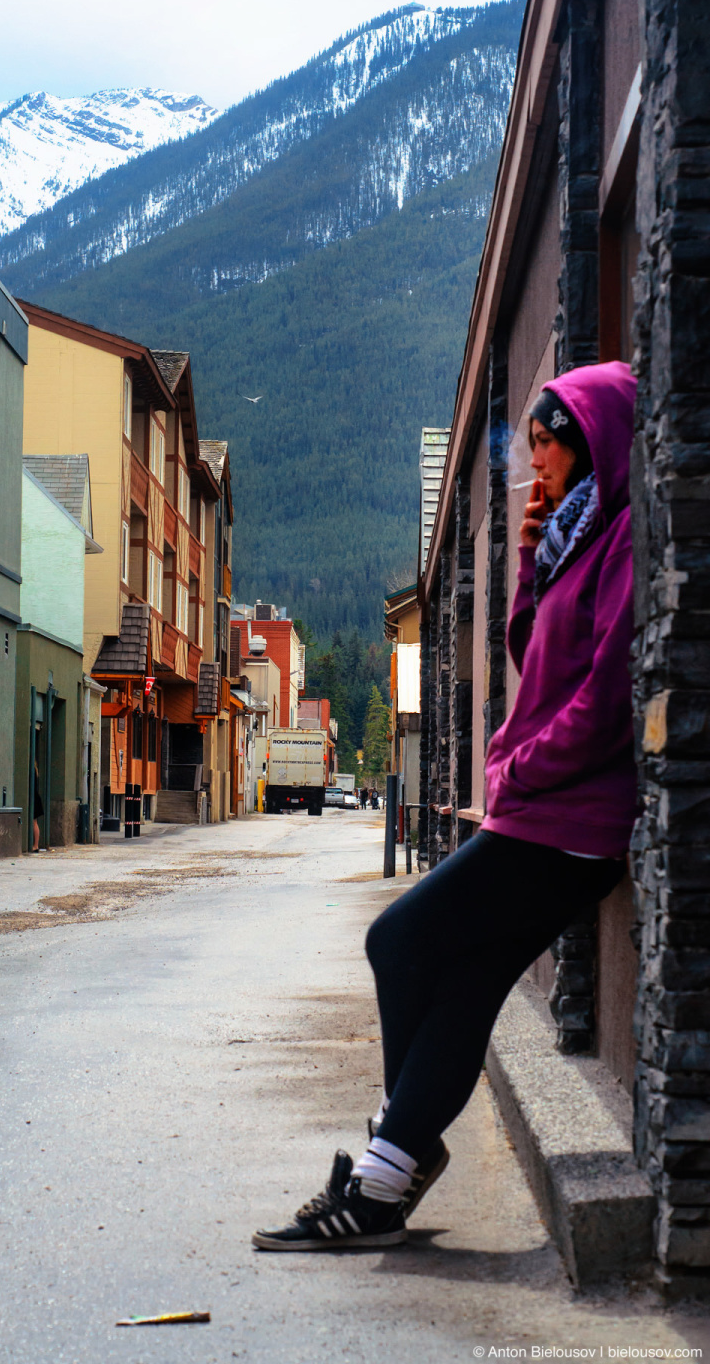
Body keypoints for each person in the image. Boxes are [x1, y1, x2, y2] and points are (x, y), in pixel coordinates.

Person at [253, 361, 636, 1250]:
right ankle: (389, 1173)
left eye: (549, 449)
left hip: (569, 823)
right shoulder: (579, 536)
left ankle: (396, 1157)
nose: (535, 465)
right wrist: (537, 559)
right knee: (462, 983)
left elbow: (608, 693)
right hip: (546, 812)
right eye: (532, 447)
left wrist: (523, 764)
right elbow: (537, 658)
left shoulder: (622, 541)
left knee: (400, 941)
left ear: (593, 446)